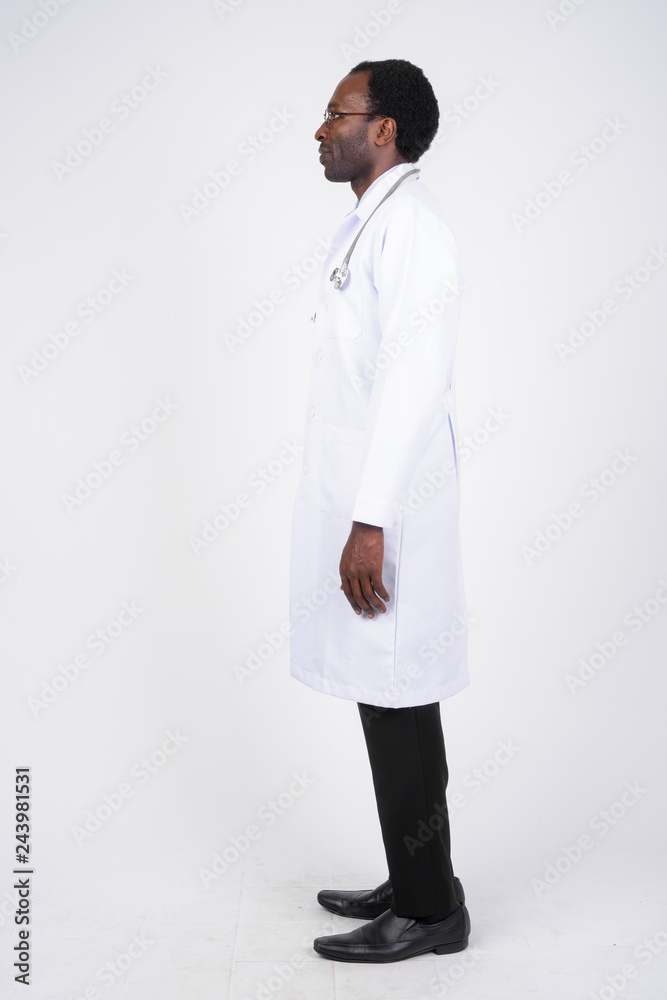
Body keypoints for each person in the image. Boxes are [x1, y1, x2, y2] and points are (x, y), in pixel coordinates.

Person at [288, 58, 471, 963]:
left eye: (337, 113)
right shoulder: (373, 223)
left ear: (384, 128)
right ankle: (417, 875)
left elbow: (412, 384)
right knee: (388, 695)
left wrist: (370, 522)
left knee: (397, 696)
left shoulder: (415, 231)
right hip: (364, 495)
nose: (321, 130)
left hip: (389, 508)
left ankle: (431, 914)